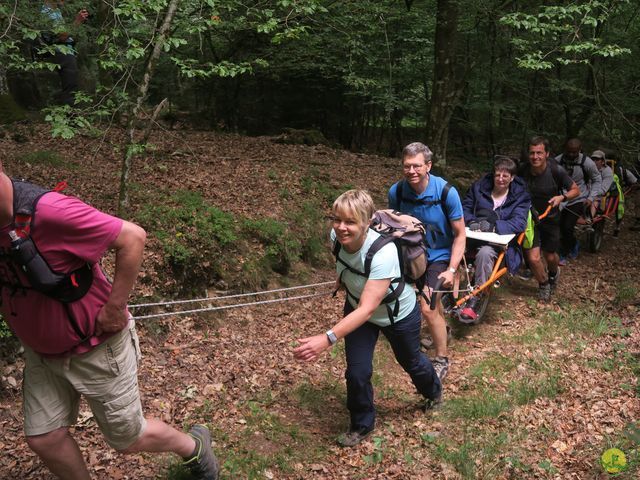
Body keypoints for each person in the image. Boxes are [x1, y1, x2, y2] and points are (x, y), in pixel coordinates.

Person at [0, 165, 219, 479]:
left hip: (97, 348)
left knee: (128, 439)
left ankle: (193, 446)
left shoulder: (51, 212)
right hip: (41, 354)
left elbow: (132, 237)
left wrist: (115, 307)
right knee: (44, 438)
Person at [294, 189, 441, 448]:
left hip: (398, 315)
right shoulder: (335, 237)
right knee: (357, 372)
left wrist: (327, 338)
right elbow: (346, 264)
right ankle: (362, 423)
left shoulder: (384, 253)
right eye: (337, 219)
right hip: (356, 307)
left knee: (412, 361)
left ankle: (433, 392)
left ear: (367, 222)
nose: (341, 227)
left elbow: (367, 309)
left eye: (350, 222)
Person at [388, 142, 465, 382]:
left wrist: (452, 269)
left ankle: (442, 358)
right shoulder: (397, 192)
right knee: (431, 305)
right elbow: (393, 225)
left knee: (427, 306)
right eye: (407, 166)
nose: (411, 171)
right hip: (412, 255)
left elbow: (460, 233)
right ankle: (443, 330)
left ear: (428, 166)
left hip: (440, 256)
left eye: (417, 166)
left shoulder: (446, 192)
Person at [460, 156, 531, 321]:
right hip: (472, 235)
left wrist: (494, 226)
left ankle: (475, 298)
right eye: (498, 175)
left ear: (512, 178)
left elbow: (519, 223)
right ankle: (445, 291)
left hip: (498, 243)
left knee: (485, 254)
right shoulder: (478, 188)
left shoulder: (520, 196)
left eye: (505, 176)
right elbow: (464, 208)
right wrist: (472, 221)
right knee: (453, 247)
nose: (500, 179)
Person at [519, 136, 579, 302]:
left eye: (539, 153)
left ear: (547, 154)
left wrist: (562, 198)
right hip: (529, 220)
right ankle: (544, 284)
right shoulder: (522, 170)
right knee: (533, 258)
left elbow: (575, 190)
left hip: (550, 219)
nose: (535, 157)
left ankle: (553, 273)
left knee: (550, 256)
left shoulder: (556, 171)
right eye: (532, 153)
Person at [555, 138, 602, 263]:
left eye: (574, 152)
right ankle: (572, 243)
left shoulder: (587, 163)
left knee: (567, 226)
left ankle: (564, 253)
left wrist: (591, 198)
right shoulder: (558, 160)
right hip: (561, 198)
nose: (571, 155)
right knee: (558, 225)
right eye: (568, 151)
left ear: (579, 150)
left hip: (578, 198)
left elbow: (597, 180)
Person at [39, 1, 88, 105]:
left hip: (66, 51)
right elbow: (61, 36)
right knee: (70, 87)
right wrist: (77, 21)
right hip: (60, 52)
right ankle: (70, 117)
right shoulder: (46, 12)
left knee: (72, 85)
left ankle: (71, 115)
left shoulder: (56, 11)